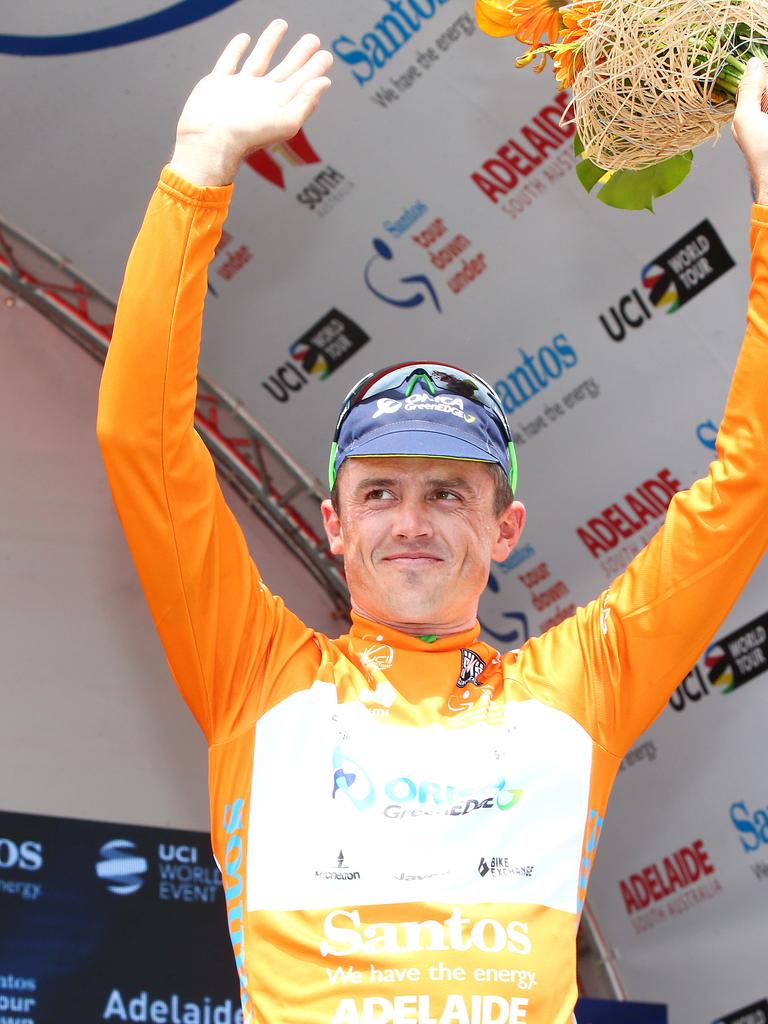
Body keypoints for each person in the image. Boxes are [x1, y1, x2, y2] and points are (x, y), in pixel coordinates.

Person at [97, 20, 768, 1024]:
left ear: (506, 527)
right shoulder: (256, 675)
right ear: (331, 523)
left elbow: (747, 485)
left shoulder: (581, 688)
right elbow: (142, 440)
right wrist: (198, 169)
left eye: (448, 491)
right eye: (381, 491)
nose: (412, 519)